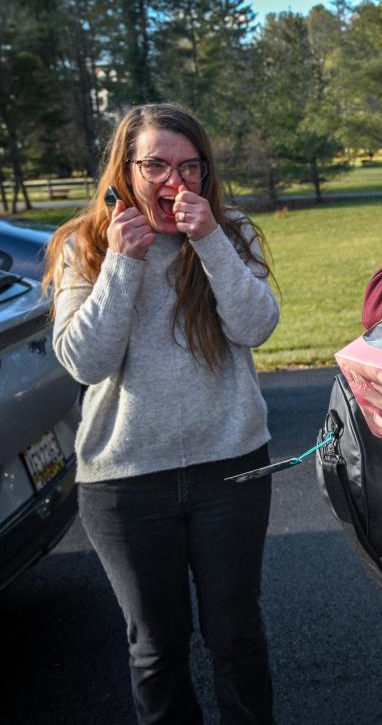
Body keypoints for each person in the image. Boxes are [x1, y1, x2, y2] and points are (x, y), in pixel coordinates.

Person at [43, 104, 280, 724]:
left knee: (238, 638)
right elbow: (84, 362)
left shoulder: (231, 231)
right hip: (125, 481)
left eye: (189, 167)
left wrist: (209, 244)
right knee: (156, 650)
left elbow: (256, 327)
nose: (173, 182)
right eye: (155, 165)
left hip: (229, 467)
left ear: (206, 173)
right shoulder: (85, 245)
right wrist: (124, 263)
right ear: (125, 169)